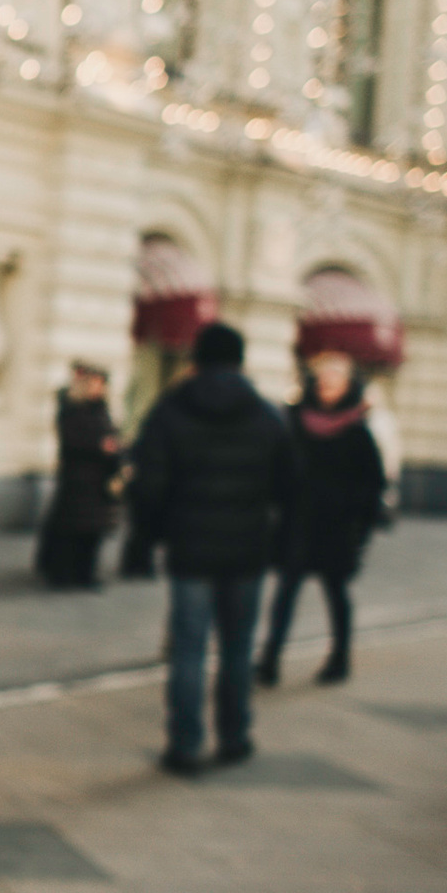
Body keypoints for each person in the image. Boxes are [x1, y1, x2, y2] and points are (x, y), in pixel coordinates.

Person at [121, 322, 299, 776]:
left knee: (188, 650)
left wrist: (146, 540)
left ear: (196, 359)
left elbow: (148, 485)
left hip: (190, 549)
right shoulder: (265, 414)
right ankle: (235, 738)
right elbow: (290, 487)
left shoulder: (171, 410)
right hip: (247, 552)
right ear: (240, 360)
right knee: (238, 650)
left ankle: (185, 745)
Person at [255, 351, 386, 688]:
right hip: (298, 523)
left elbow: (372, 485)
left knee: (336, 594)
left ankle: (339, 657)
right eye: (323, 379)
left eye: (335, 380)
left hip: (337, 528)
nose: (327, 385)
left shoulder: (358, 431)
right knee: (285, 593)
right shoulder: (295, 422)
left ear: (348, 386)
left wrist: (360, 531)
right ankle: (270, 660)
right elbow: (276, 469)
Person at [35, 361, 121, 590]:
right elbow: (72, 441)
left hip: (98, 482)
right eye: (94, 384)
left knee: (92, 533)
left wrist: (115, 449)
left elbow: (111, 436)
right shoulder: (72, 408)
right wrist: (100, 446)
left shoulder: (101, 409)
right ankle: (64, 574)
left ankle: (85, 574)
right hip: (77, 480)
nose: (98, 389)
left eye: (101, 384)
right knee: (71, 532)